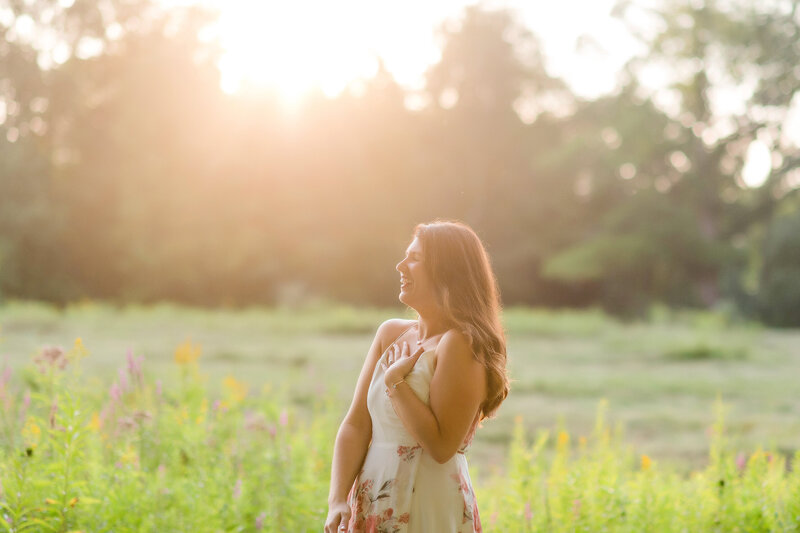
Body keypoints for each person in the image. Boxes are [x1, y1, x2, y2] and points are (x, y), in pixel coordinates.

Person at [325, 220, 509, 533]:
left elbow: (441, 447)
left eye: (415, 258)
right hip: (375, 497)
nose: (400, 265)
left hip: (426, 501)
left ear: (446, 271)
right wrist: (337, 500)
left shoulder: (461, 342)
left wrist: (396, 384)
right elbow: (356, 424)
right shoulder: (390, 333)